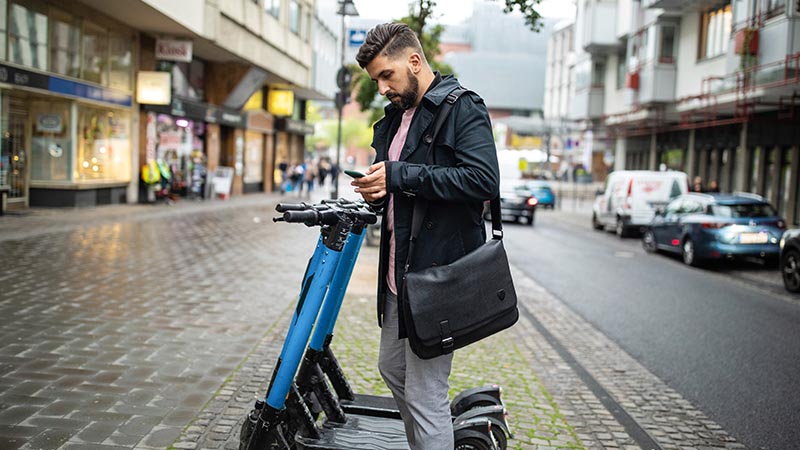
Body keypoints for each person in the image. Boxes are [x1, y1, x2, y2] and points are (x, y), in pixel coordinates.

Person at [351, 23, 499, 450]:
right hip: (401, 276)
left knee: (426, 393)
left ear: (414, 61)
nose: (381, 88)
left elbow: (483, 180)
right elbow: (400, 189)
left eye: (386, 75)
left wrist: (399, 176)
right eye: (376, 79)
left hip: (438, 278)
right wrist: (377, 191)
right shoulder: (395, 118)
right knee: (391, 369)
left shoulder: (462, 108)